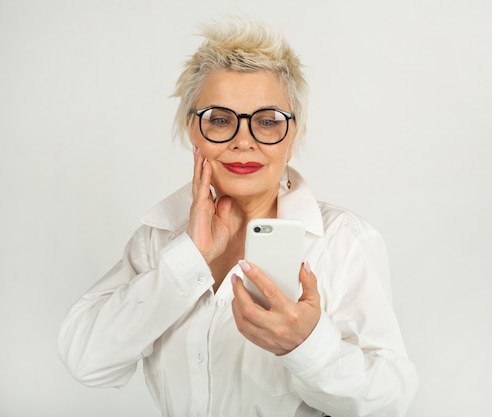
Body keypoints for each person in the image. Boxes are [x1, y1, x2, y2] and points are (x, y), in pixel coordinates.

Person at [58, 17, 418, 417]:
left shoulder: (344, 241)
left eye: (267, 121)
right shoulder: (160, 238)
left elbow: (390, 400)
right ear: (191, 130)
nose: (243, 140)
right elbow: (86, 361)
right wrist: (188, 259)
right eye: (220, 119)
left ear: (292, 135)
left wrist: (307, 345)